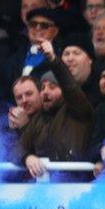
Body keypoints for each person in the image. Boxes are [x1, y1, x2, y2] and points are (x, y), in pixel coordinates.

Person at [16, 39, 95, 178]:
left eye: (52, 87)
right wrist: (27, 157)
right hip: (46, 188)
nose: (45, 92)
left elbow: (70, 88)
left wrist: (53, 59)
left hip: (77, 187)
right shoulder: (38, 119)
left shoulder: (78, 111)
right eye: (42, 87)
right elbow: (17, 148)